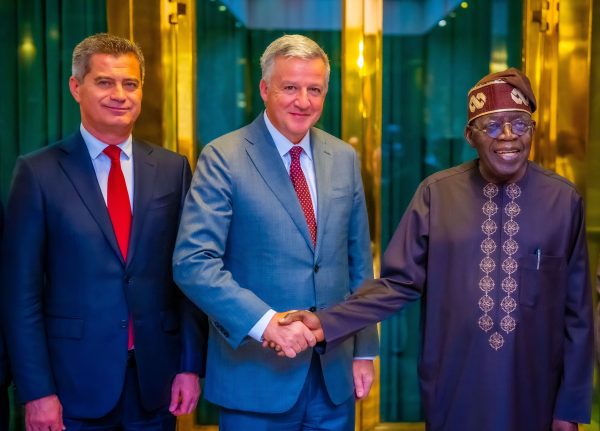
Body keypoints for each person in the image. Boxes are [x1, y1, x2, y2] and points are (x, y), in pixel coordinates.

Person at [277, 68, 593, 431]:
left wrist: (570, 407)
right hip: (454, 389)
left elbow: (578, 314)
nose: (508, 135)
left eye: (520, 124)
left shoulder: (563, 201)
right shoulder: (437, 195)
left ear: (533, 130)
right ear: (470, 136)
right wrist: (326, 321)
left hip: (535, 392)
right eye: (492, 126)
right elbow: (397, 284)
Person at [1, 33, 207, 431]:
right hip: (70, 388)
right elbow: (20, 295)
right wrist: (36, 391)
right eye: (105, 82)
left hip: (155, 384)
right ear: (76, 87)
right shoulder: (38, 172)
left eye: (130, 83)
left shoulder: (172, 169)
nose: (120, 95)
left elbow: (187, 277)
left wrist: (189, 365)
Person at [172, 34, 379, 431]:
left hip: (332, 377)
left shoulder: (344, 157)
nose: (303, 101)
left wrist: (364, 350)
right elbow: (193, 263)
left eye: (314, 89)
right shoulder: (223, 157)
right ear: (265, 89)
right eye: (290, 88)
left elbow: (358, 263)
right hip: (256, 376)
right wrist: (265, 322)